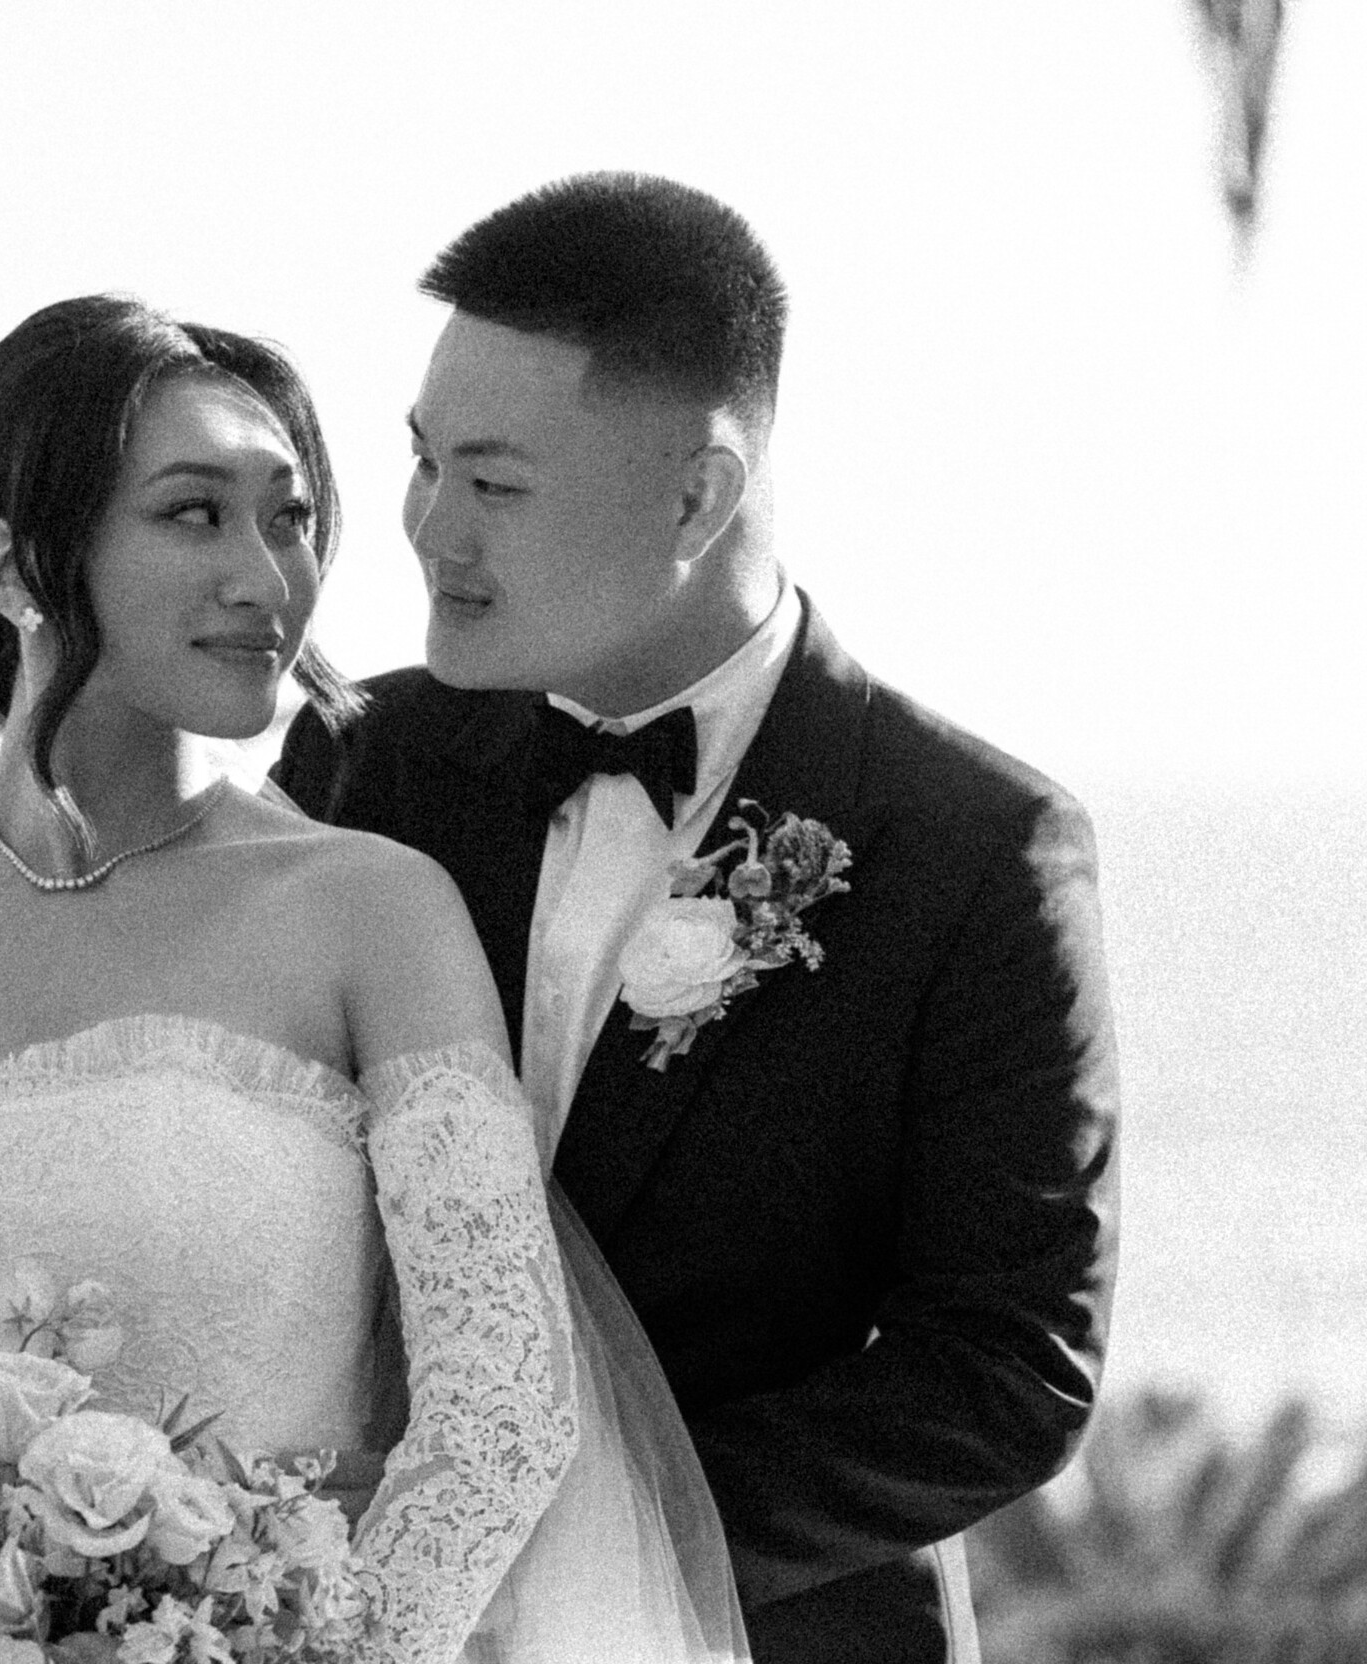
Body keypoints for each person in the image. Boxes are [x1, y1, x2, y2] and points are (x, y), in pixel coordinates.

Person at [0, 294, 748, 1663]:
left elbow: (501, 1417)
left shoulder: (371, 916)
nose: (267, 576)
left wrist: (301, 1654)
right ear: (15, 565)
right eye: (194, 513)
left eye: (288, 516)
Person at [275, 172, 1122, 1664]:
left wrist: (582, 1537)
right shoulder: (361, 761)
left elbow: (1008, 1369)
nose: (428, 530)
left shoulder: (973, 849)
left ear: (698, 492)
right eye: (421, 462)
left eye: (497, 483)